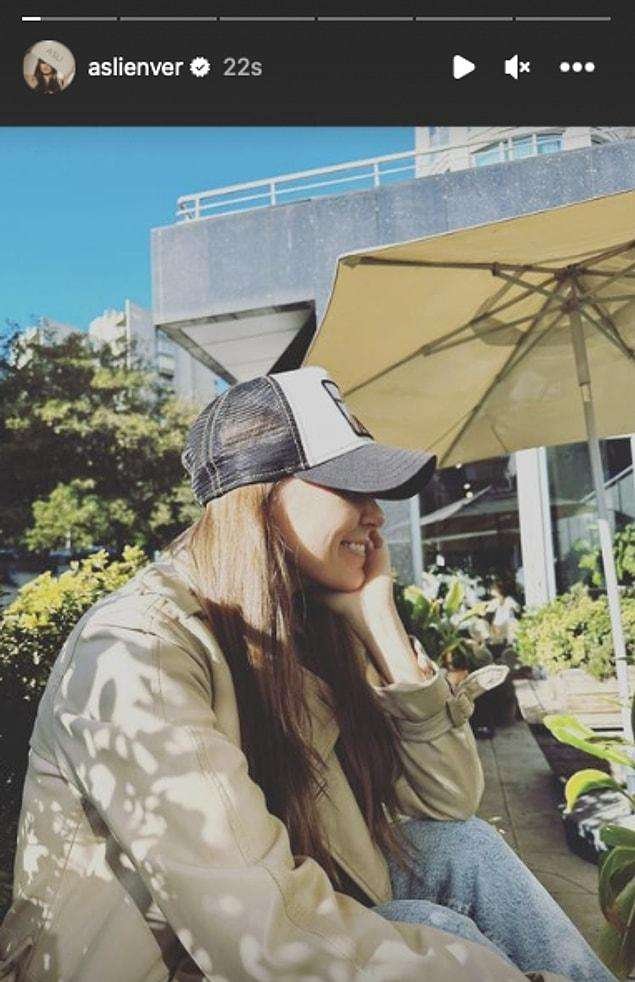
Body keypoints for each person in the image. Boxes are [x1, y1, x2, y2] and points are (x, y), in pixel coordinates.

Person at [0, 366, 615, 982]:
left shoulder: (303, 621)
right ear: (259, 497)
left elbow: (449, 800)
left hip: (274, 909)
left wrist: (380, 624)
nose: (377, 516)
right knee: (427, 927)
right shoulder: (139, 651)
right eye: (350, 487)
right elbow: (260, 935)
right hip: (171, 963)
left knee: (465, 848)